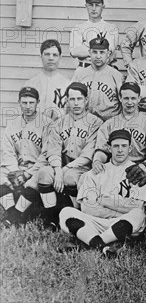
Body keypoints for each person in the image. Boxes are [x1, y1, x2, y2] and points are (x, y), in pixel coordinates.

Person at [58, 129, 146, 256]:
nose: (120, 150)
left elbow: (137, 206)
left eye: (124, 146)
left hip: (123, 221)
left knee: (138, 215)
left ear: (130, 148)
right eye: (116, 146)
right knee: (66, 212)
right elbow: (87, 208)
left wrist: (104, 201)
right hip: (96, 222)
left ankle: (92, 242)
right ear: (109, 148)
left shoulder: (138, 173)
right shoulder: (96, 172)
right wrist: (119, 207)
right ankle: (104, 246)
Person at [34, 82, 104, 228]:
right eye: (72, 99)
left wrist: (63, 171)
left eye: (79, 99)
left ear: (86, 100)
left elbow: (88, 154)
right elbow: (53, 150)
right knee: (44, 173)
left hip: (84, 167)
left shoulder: (96, 122)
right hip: (61, 165)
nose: (76, 103)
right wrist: (58, 170)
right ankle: (52, 217)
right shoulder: (59, 123)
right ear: (67, 101)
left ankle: (72, 217)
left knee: (70, 177)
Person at [91, 82, 146, 202]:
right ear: (120, 98)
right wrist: (97, 161)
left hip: (140, 166)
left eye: (133, 98)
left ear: (139, 99)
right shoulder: (109, 124)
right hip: (115, 166)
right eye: (126, 98)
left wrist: (145, 165)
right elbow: (102, 150)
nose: (129, 102)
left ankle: (145, 217)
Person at [1, 87, 47, 225]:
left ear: (38, 102)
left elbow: (46, 155)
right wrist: (15, 172)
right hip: (17, 167)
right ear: (19, 102)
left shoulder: (47, 124)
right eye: (24, 103)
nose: (28, 106)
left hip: (36, 168)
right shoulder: (12, 125)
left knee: (36, 181)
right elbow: (7, 152)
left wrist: (27, 174)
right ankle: (12, 212)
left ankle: (14, 216)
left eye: (31, 103)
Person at [71, 37, 123, 121]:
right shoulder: (80, 74)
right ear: (89, 53)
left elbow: (124, 102)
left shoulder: (116, 75)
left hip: (109, 123)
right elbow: (70, 100)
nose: (98, 56)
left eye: (102, 52)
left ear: (108, 53)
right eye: (94, 52)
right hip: (84, 123)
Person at [69, 0, 120, 69]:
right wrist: (100, 49)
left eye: (97, 5)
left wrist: (85, 47)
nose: (93, 8)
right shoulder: (78, 28)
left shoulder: (111, 28)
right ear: (86, 6)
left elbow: (109, 50)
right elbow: (74, 52)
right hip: (84, 69)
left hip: (105, 70)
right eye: (90, 5)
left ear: (103, 7)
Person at [25, 39, 70, 121]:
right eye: (47, 54)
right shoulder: (31, 84)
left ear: (60, 57)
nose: (51, 58)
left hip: (59, 129)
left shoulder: (67, 84)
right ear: (41, 56)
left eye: (55, 55)